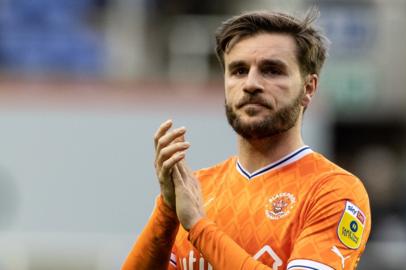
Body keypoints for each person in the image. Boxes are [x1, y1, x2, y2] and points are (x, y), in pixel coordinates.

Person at [123, 10, 371, 270]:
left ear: (308, 88)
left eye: (272, 70)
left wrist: (199, 227)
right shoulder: (196, 191)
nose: (251, 83)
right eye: (239, 71)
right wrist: (167, 210)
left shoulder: (332, 192)